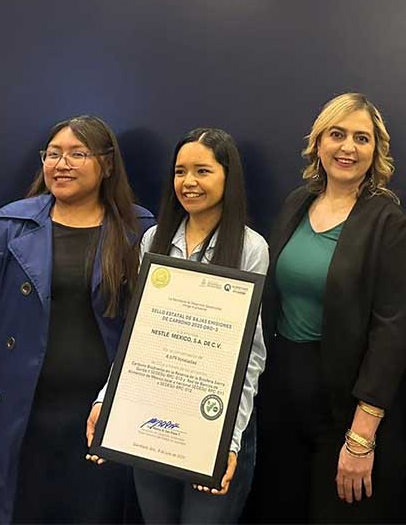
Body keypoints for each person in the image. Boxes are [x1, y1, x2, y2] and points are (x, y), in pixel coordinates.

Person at [0, 116, 154, 524]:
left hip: (100, 421)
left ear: (107, 164)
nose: (61, 164)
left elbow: (152, 330)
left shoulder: (140, 231)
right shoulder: (8, 225)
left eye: (77, 154)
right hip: (17, 420)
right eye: (53, 154)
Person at [247, 92, 406, 523]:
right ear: (318, 143)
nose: (348, 147)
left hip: (345, 405)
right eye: (337, 135)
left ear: (376, 151)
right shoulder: (297, 203)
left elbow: (394, 333)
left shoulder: (389, 223)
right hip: (283, 392)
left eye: (361, 138)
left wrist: (362, 436)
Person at [86, 128, 269, 523]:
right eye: (180, 171)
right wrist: (107, 400)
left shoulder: (251, 248)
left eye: (203, 171)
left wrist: (230, 440)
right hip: (153, 422)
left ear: (228, 177)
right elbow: (139, 337)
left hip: (212, 426)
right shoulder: (154, 239)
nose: (189, 182)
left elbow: (250, 356)